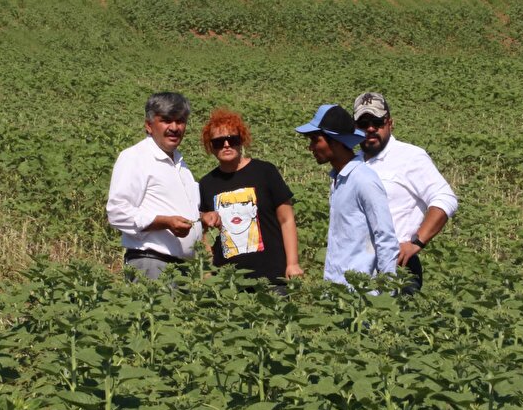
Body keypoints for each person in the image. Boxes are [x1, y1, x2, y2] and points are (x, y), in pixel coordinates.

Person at [353, 91, 458, 292]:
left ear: (390, 123)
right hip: (357, 267)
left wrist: (416, 242)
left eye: (377, 121)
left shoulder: (410, 157)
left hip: (397, 268)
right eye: (363, 123)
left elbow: (445, 198)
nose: (371, 128)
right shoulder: (353, 164)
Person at [295, 103, 399, 287]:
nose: (311, 147)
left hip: (361, 295)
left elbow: (385, 237)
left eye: (315, 140)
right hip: (339, 290)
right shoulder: (339, 179)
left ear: (335, 141)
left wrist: (387, 292)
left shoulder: (363, 180)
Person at [197, 109, 303, 284]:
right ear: (210, 146)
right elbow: (202, 232)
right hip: (228, 280)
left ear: (241, 141)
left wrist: (292, 263)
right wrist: (208, 272)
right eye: (218, 142)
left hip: (271, 275)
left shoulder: (265, 172)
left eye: (232, 139)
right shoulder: (207, 184)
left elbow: (287, 219)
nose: (226, 145)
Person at [106, 92, 202, 279]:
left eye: (180, 121)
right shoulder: (136, 157)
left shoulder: (180, 164)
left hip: (182, 268)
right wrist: (164, 222)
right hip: (152, 263)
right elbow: (117, 213)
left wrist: (202, 218)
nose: (174, 128)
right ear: (149, 125)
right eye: (166, 121)